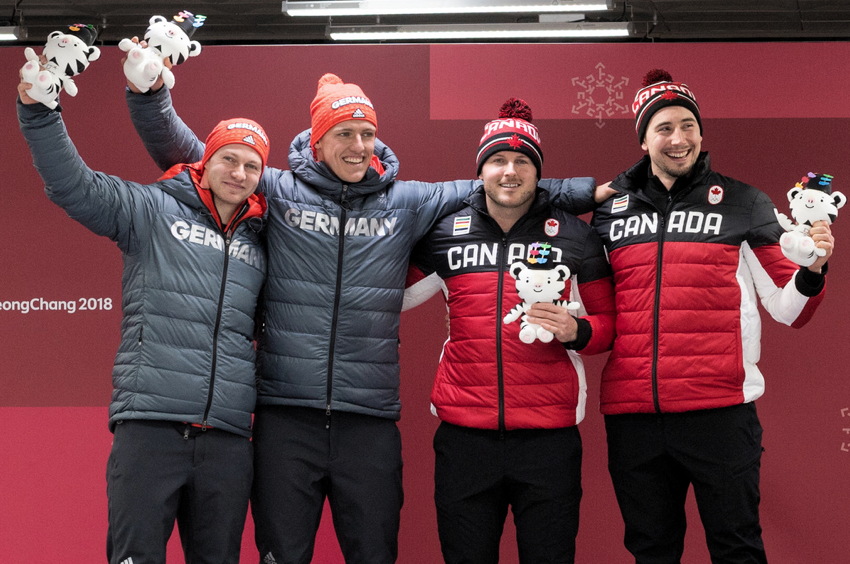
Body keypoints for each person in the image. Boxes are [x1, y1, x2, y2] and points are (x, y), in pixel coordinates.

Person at [123, 72, 600, 564]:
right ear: (317, 139)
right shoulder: (277, 188)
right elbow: (193, 156)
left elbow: (505, 184)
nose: (358, 145)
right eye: (344, 133)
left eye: (366, 133)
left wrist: (587, 192)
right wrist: (148, 95)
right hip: (287, 416)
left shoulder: (408, 200)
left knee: (374, 554)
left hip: (368, 420)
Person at [17, 78, 271, 563]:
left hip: (228, 439)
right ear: (205, 161)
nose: (239, 173)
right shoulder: (151, 211)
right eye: (228, 159)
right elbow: (74, 185)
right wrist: (39, 112)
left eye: (251, 165)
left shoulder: (264, 238)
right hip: (151, 428)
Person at [590, 69, 835, 563]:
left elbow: (789, 307)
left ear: (701, 133)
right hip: (634, 416)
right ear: (643, 138)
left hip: (720, 412)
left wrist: (815, 268)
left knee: (737, 549)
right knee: (651, 551)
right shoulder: (609, 211)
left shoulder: (745, 202)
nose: (678, 139)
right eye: (663, 128)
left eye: (688, 125)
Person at [405, 98, 616, 563]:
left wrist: (576, 330)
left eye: (523, 161)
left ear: (538, 174)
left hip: (548, 441)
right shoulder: (444, 232)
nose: (509, 171)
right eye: (498, 160)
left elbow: (608, 329)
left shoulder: (576, 237)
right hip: (464, 437)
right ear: (480, 170)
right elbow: (390, 297)